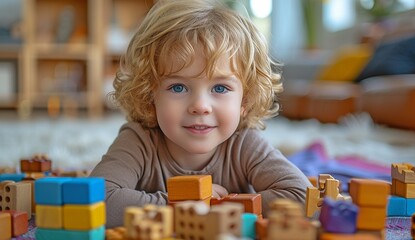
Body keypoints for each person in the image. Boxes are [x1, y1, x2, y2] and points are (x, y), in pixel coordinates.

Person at [90, 0, 312, 228]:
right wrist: (191, 205)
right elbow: (96, 201)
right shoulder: (139, 140)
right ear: (149, 95)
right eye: (178, 87)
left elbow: (303, 198)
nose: (200, 106)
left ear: (245, 100)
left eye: (220, 88)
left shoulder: (244, 143)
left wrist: (216, 206)